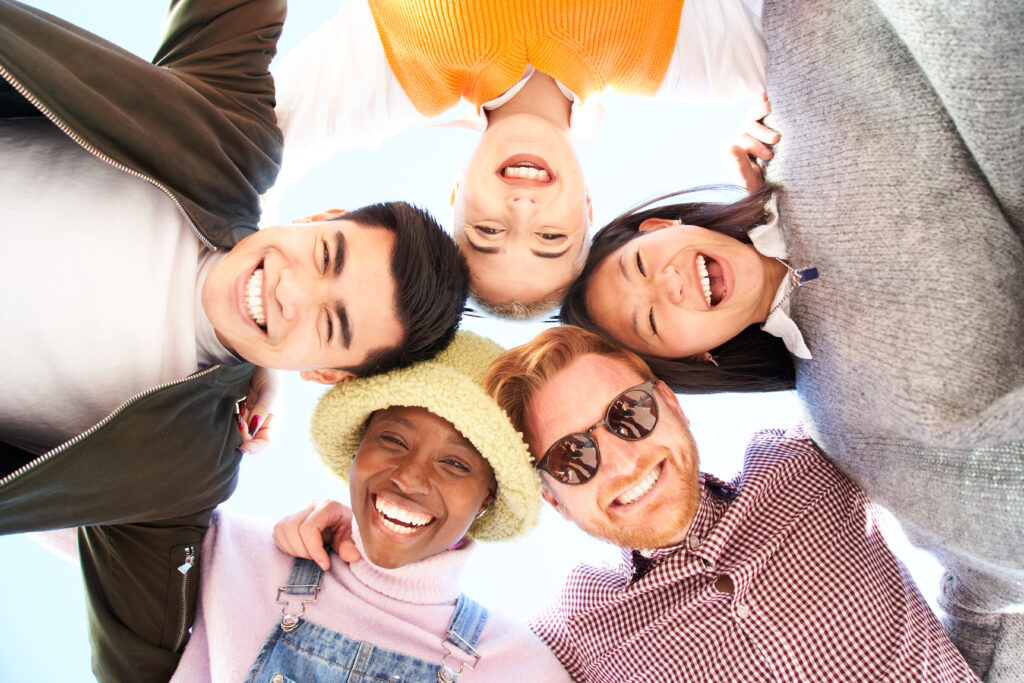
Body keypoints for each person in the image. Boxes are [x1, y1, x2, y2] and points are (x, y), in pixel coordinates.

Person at [0, 1, 466, 680]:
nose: (291, 291)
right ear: (322, 216)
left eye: (329, 323)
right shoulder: (225, 134)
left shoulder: (184, 468)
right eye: (328, 254)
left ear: (329, 373)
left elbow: (145, 662)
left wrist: (360, 569)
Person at [561, 1, 1024, 677]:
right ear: (693, 355)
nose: (668, 286)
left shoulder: (801, 112)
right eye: (654, 321)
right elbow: (988, 566)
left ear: (660, 227)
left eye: (639, 265)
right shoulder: (837, 421)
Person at [482, 325, 979, 681]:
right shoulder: (568, 636)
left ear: (672, 404)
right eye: (573, 458)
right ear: (552, 498)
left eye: (628, 414)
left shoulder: (806, 460)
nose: (621, 463)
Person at [273, 0, 768, 316]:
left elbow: (247, 148)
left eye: (487, 231)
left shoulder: (401, 70)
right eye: (551, 237)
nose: (522, 209)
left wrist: (241, 359)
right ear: (588, 209)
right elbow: (809, 35)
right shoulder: (674, 54)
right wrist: (783, 137)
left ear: (456, 190)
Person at [169, 332, 571, 682]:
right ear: (360, 444)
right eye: (393, 440)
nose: (410, 479)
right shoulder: (227, 555)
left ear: (488, 495)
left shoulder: (520, 669)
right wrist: (258, 368)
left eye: (455, 464)